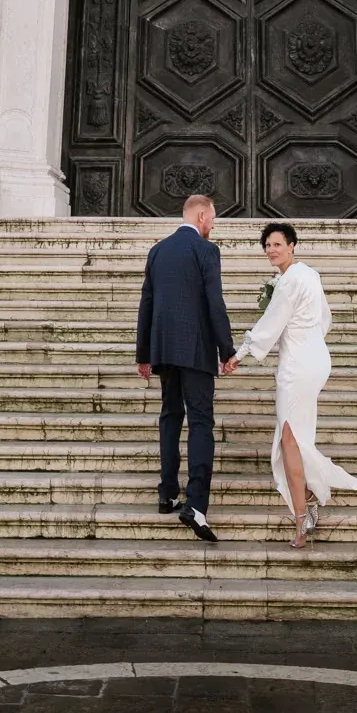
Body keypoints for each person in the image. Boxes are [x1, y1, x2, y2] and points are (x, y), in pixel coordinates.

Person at [232, 222, 357, 548]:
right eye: (267, 245)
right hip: (316, 357)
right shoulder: (311, 274)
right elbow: (324, 318)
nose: (271, 250)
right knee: (294, 436)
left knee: (290, 438)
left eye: (276, 244)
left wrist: (239, 354)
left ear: (291, 245)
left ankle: (302, 516)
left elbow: (269, 325)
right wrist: (309, 341)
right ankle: (308, 498)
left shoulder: (289, 282)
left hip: (297, 366)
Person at [135, 192, 237, 543]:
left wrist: (143, 354)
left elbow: (146, 303)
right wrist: (227, 349)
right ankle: (195, 503)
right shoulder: (206, 251)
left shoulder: (158, 250)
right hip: (195, 350)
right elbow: (214, 302)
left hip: (164, 349)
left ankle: (167, 492)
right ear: (201, 217)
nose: (212, 225)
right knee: (200, 423)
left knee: (170, 416)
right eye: (211, 219)